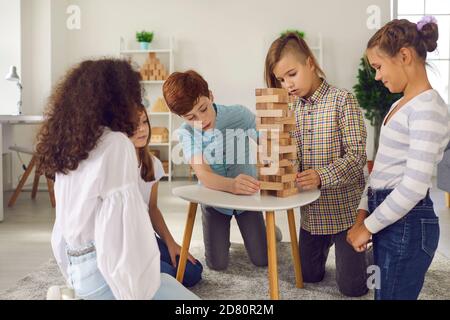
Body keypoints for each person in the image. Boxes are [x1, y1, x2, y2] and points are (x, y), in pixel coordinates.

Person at [36, 58, 199, 300]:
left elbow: (60, 232)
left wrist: (74, 281)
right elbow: (120, 237)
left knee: (166, 281)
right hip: (105, 276)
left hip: (78, 272)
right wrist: (135, 293)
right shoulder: (116, 144)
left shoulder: (69, 147)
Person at [347, 17, 450, 300]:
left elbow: (413, 188)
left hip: (409, 225)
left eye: (379, 67)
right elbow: (381, 171)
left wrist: (366, 227)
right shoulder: (399, 105)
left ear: (404, 55)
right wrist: (362, 214)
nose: (377, 76)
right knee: (383, 291)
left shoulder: (428, 109)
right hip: (390, 216)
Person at [264, 32, 368, 297]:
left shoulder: (342, 100)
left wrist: (322, 176)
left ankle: (369, 245)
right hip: (312, 216)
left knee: (353, 288)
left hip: (346, 213)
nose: (287, 84)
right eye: (281, 79)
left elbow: (357, 157)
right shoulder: (291, 110)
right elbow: (292, 158)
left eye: (292, 74)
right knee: (308, 277)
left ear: (310, 63)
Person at [163, 70, 271, 271]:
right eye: (190, 117)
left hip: (247, 199)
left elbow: (265, 135)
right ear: (180, 117)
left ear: (211, 96)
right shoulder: (187, 133)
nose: (201, 120)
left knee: (262, 259)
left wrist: (266, 155)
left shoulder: (239, 114)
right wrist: (231, 185)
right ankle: (222, 240)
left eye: (203, 109)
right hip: (214, 201)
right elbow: (203, 174)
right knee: (217, 264)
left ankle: (272, 232)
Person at [131, 104, 203, 287]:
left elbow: (152, 209)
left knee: (193, 271)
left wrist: (171, 243)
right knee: (169, 276)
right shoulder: (117, 165)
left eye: (144, 122)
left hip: (145, 236)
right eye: (133, 125)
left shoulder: (153, 164)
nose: (141, 129)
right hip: (124, 243)